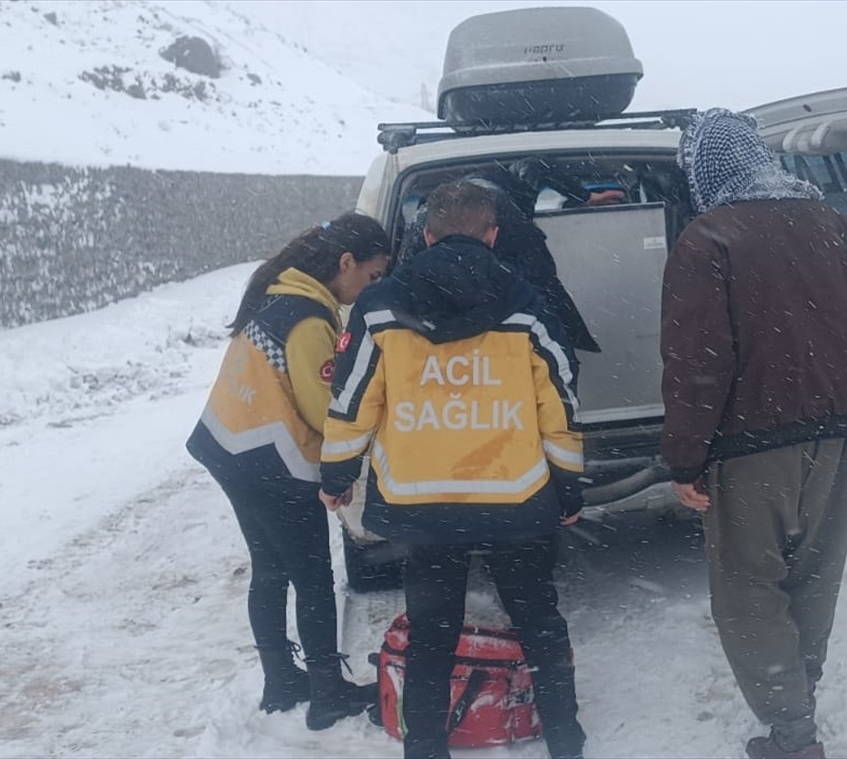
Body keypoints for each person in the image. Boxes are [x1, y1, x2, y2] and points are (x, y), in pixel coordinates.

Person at [660, 109, 847, 759]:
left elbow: (697, 362)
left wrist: (684, 457)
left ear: (706, 170)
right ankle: (800, 699)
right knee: (813, 575)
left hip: (750, 445)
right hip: (834, 435)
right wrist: (836, 388)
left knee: (748, 588)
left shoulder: (709, 237)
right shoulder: (834, 225)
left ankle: (793, 735)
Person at [319, 180, 587, 759]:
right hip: (514, 498)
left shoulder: (379, 307)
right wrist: (567, 487)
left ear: (427, 233)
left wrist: (336, 478)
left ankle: (426, 747)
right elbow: (560, 408)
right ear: (493, 235)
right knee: (538, 620)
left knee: (431, 634)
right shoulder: (528, 306)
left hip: (423, 503)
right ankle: (566, 740)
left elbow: (351, 402)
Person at [185, 213, 391, 730]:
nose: (370, 287)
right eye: (370, 276)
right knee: (313, 576)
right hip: (271, 462)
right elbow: (324, 410)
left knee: (271, 570)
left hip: (229, 447)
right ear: (345, 263)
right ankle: (326, 694)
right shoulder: (308, 319)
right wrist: (346, 465)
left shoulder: (281, 292)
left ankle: (281, 681)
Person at [396, 158, 624, 355]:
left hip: (439, 373)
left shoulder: (422, 223)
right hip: (505, 220)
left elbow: (400, 303)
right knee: (542, 295)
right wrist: (584, 196)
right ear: (492, 235)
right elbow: (533, 165)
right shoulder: (513, 202)